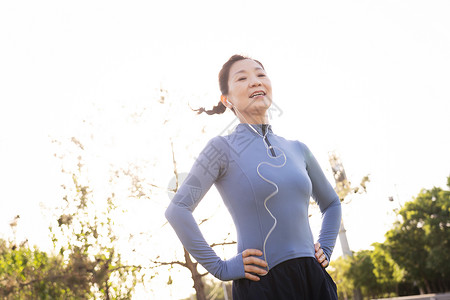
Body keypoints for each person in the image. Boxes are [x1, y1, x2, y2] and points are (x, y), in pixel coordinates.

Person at [165, 54, 341, 299]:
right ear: (226, 100)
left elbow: (331, 203)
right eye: (242, 78)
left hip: (314, 280)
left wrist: (326, 247)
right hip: (263, 285)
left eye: (260, 74)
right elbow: (177, 209)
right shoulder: (220, 149)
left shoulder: (298, 149)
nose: (255, 82)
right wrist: (221, 267)